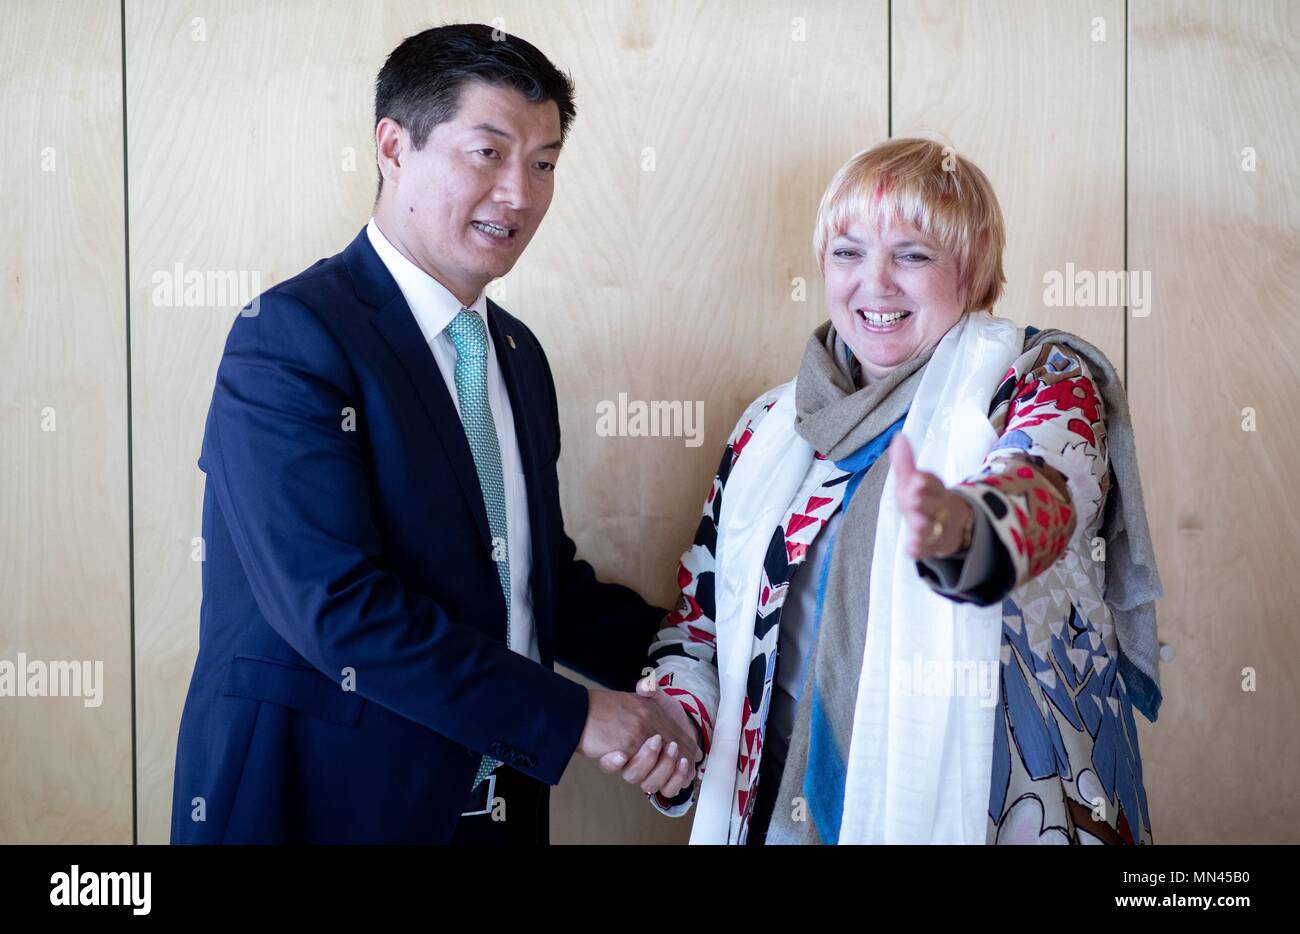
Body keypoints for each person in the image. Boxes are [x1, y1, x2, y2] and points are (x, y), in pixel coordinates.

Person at [171, 23, 699, 845]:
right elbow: (337, 606)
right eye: (487, 152)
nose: (520, 193)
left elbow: (531, 579)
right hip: (321, 804)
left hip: (496, 808)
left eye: (544, 162)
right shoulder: (289, 337)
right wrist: (579, 716)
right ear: (393, 146)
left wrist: (706, 651)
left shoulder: (517, 354)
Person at [615, 138, 1164, 844]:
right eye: (847, 252)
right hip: (783, 817)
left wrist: (965, 530)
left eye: (913, 254)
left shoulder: (1036, 378)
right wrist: (675, 723)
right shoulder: (770, 427)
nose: (875, 283)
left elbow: (1046, 486)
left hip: (1005, 809)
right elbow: (700, 630)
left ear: (973, 269)